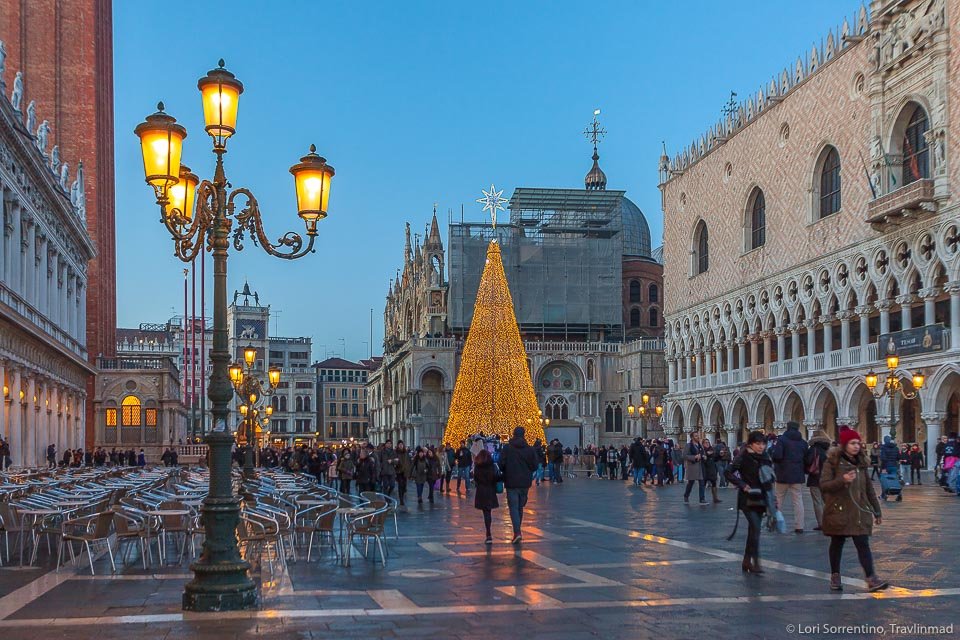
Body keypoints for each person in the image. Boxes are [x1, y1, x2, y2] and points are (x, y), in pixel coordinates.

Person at [819, 428, 888, 592]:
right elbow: (824, 485)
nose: (856, 446)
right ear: (844, 445)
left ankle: (871, 578)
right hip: (839, 510)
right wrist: (842, 480)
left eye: (858, 443)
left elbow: (869, 489)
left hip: (859, 512)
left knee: (863, 543)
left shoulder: (862, 463)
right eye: (852, 443)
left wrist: (877, 511)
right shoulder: (832, 462)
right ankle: (835, 575)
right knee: (837, 542)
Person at [725, 430, 775, 574]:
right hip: (747, 499)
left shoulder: (765, 457)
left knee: (754, 530)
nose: (761, 447)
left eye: (763, 444)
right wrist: (742, 484)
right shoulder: (743, 457)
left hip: (761, 498)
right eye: (758, 444)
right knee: (756, 528)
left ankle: (746, 561)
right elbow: (728, 472)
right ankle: (756, 562)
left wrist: (772, 498)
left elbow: (769, 478)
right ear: (751, 444)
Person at [500, 426, 537, 543]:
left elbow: (501, 464)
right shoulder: (530, 449)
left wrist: (507, 469)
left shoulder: (507, 448)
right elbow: (535, 466)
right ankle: (518, 531)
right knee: (520, 507)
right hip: (525, 483)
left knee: (514, 507)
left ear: (514, 434)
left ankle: (517, 532)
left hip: (511, 482)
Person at [770, 421, 809, 533]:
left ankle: (775, 523)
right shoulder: (802, 442)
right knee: (798, 500)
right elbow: (806, 459)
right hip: (797, 474)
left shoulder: (782, 440)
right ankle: (799, 526)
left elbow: (777, 456)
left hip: (782, 474)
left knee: (778, 499)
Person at [472, 449, 501, 544]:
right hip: (490, 491)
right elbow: (496, 477)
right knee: (488, 511)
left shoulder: (477, 467)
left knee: (486, 512)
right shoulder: (492, 466)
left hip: (481, 491)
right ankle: (488, 533)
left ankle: (488, 533)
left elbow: (475, 478)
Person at [804, 430, 831, 531]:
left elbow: (807, 461)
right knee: (827, 501)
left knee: (817, 502)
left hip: (815, 478)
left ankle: (822, 523)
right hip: (827, 479)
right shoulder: (829, 449)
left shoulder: (813, 449)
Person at [683, 433, 706, 504]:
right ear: (692, 438)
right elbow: (684, 456)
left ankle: (702, 499)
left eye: (698, 435)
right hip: (692, 467)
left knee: (702, 483)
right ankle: (686, 495)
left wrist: (704, 456)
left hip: (700, 466)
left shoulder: (700, 445)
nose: (698, 437)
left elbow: (702, 453)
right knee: (691, 483)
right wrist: (694, 457)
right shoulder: (688, 445)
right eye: (696, 436)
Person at [702, 437, 721, 503]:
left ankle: (715, 498)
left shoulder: (712, 450)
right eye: (706, 443)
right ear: (703, 444)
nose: (707, 444)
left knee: (714, 483)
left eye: (708, 442)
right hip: (705, 469)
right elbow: (702, 458)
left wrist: (720, 455)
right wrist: (707, 454)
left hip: (712, 469)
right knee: (703, 484)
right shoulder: (702, 450)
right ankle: (702, 498)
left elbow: (715, 459)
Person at [395, 441, 411, 505]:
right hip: (398, 471)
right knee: (400, 485)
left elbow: (409, 461)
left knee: (404, 486)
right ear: (398, 445)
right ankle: (401, 499)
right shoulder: (396, 452)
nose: (401, 446)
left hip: (405, 471)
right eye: (399, 444)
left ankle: (402, 494)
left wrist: (409, 470)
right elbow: (394, 461)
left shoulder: (406, 453)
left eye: (402, 444)